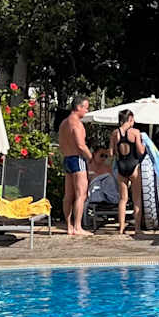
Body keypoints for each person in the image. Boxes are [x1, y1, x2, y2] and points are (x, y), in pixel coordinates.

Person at [109, 108, 150, 236]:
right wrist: (145, 145)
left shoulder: (114, 133)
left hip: (121, 166)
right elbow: (141, 151)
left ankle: (121, 228)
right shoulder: (135, 132)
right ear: (130, 119)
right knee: (137, 199)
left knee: (123, 199)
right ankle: (137, 228)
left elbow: (111, 153)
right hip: (134, 166)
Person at [58, 97, 91, 237]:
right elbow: (80, 145)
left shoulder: (64, 123)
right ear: (78, 107)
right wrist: (90, 157)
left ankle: (69, 226)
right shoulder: (76, 123)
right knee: (81, 194)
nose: (87, 110)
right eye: (86, 108)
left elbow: (61, 143)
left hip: (67, 158)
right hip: (77, 159)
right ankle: (77, 227)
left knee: (68, 194)